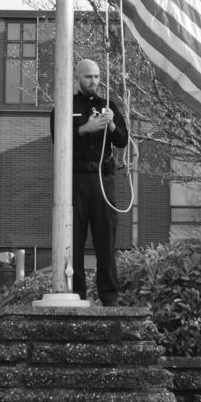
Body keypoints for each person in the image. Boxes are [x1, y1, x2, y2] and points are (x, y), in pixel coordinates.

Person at [50, 58, 128, 306]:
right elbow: (58, 140)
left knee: (106, 240)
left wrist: (112, 124)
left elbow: (123, 140)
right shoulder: (64, 106)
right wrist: (87, 127)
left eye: (96, 76)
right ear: (77, 78)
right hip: (76, 180)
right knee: (74, 240)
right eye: (88, 77)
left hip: (103, 179)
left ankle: (109, 299)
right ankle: (78, 296)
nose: (93, 81)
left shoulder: (108, 105)